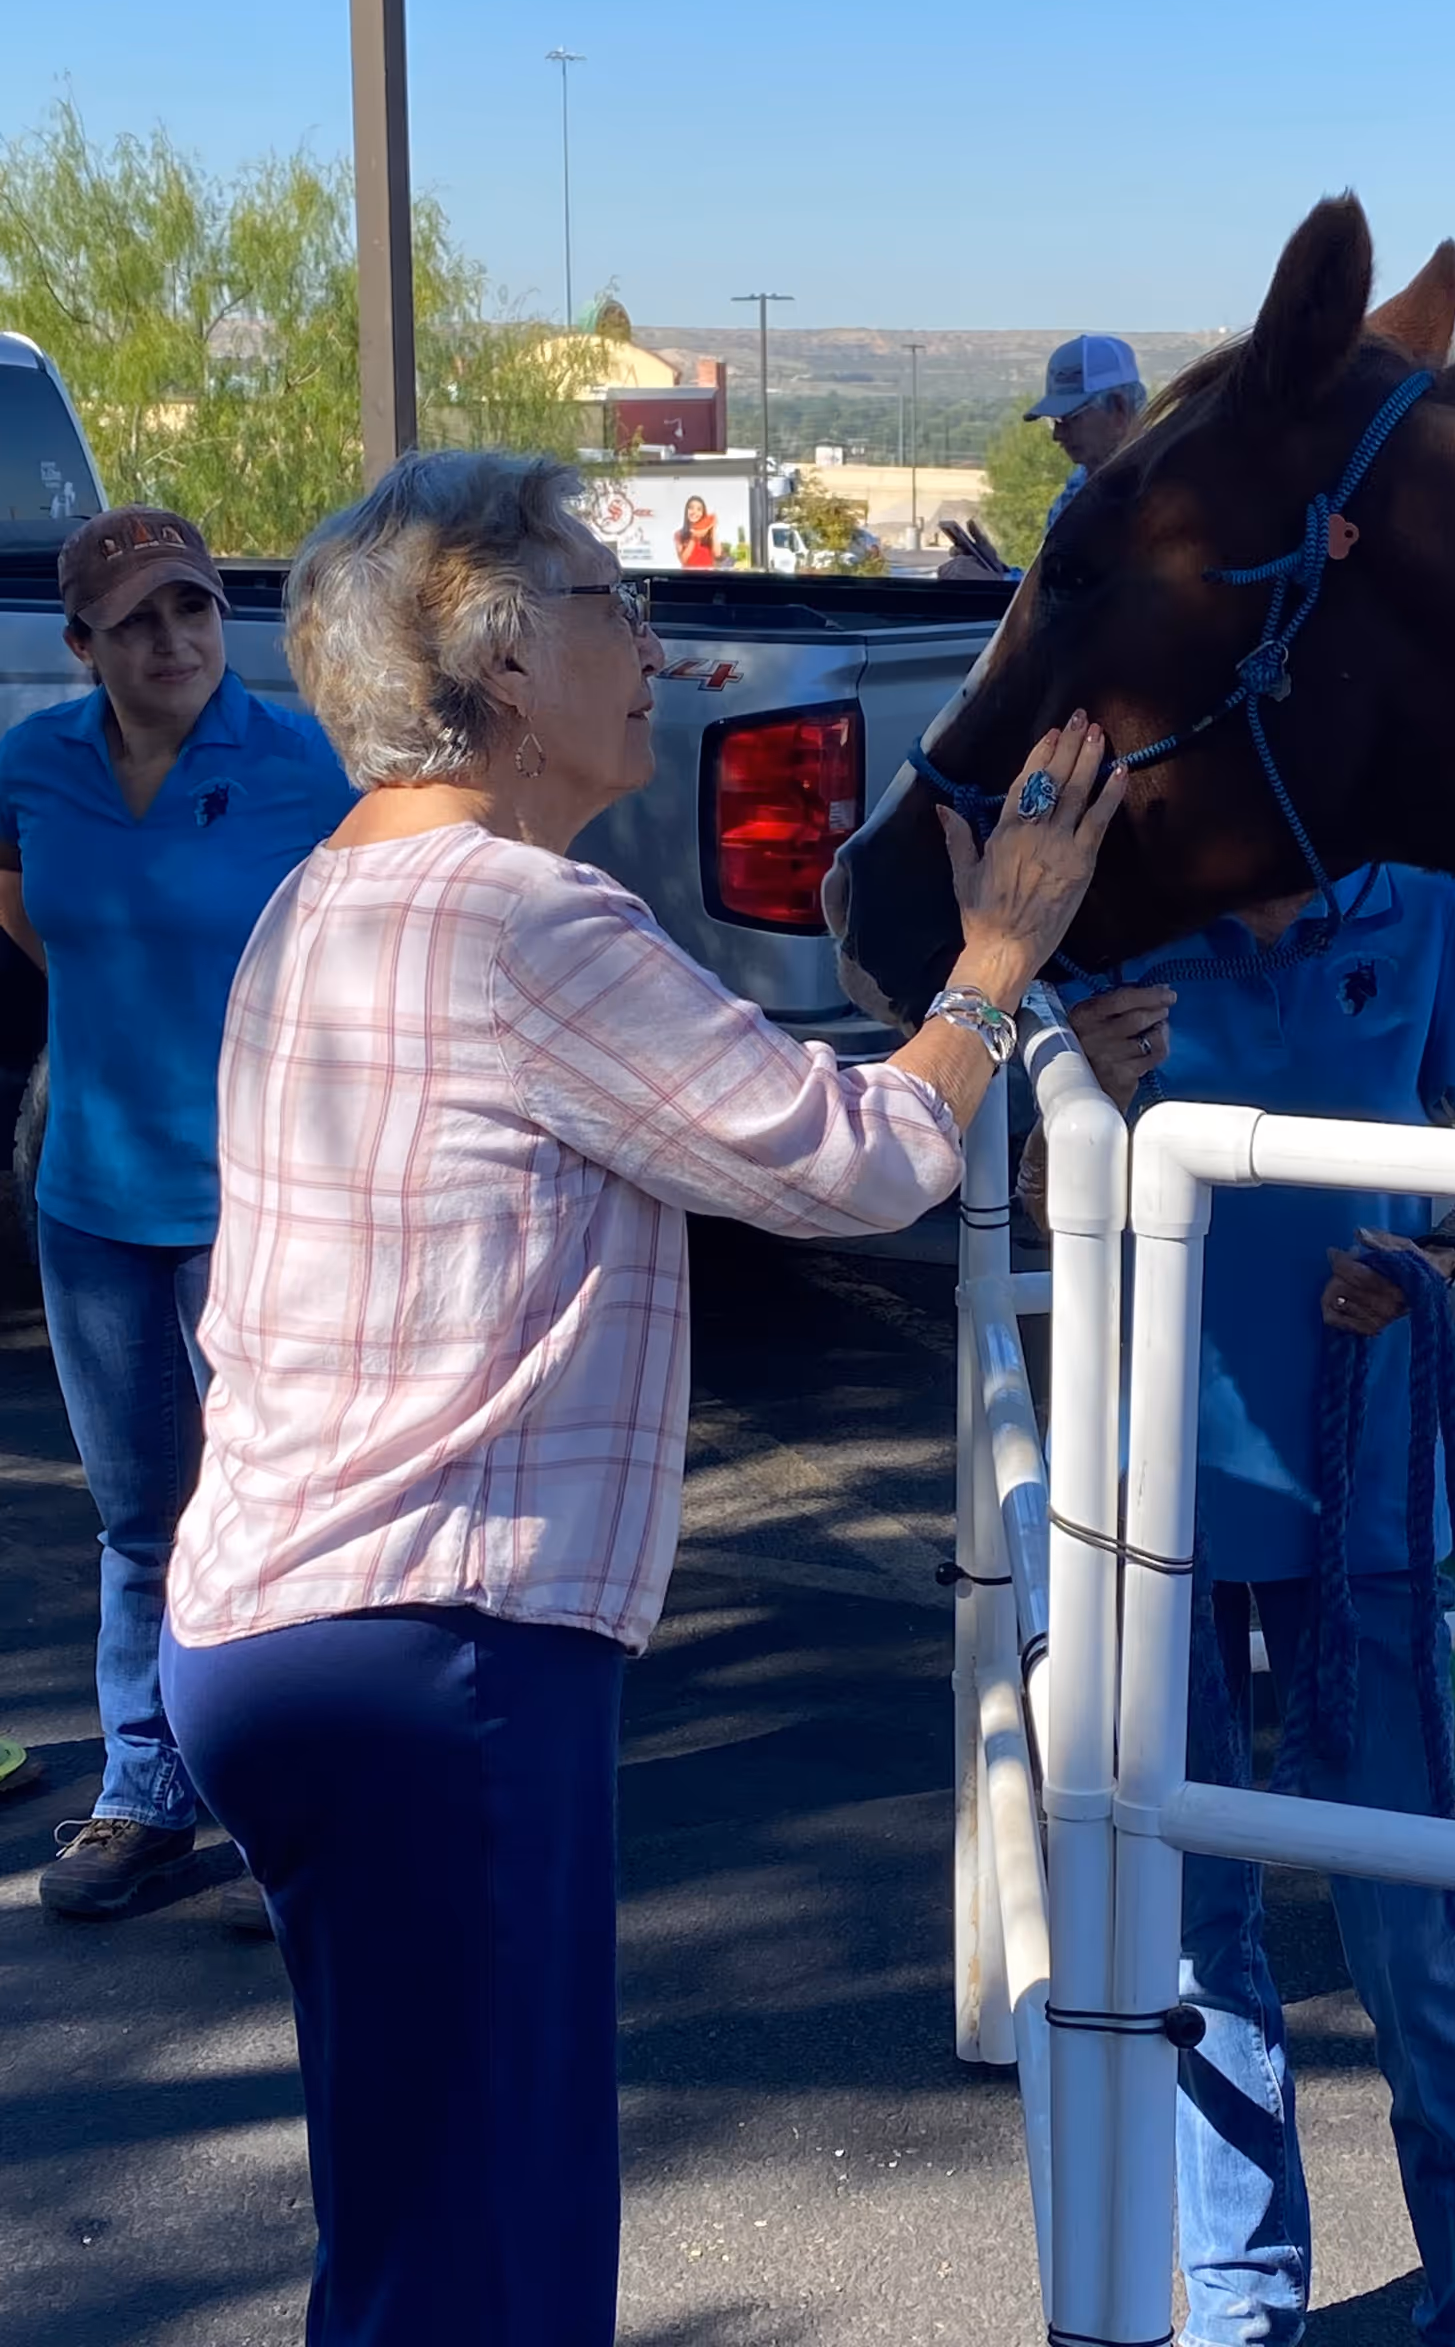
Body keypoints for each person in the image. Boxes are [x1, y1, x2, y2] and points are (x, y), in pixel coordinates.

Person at [158, 450, 1125, 2347]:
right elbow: (853, 1159)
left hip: (279, 1627)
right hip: (434, 1650)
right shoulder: (526, 924)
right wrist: (999, 957)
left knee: (417, 2215)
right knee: (490, 2255)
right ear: (499, 662)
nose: (654, 641)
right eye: (615, 601)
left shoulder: (324, 901)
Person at [1020, 863, 1455, 2347]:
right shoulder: (1114, 915)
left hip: (1365, 1494)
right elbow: (1024, 1197)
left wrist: (1430, 1257)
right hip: (1148, 1506)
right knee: (1195, 1935)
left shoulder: (1430, 908)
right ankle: (1247, 2307)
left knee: (1412, 1942)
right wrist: (1084, 1105)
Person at [0, 508, 356, 1925]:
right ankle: (144, 1787)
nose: (176, 643)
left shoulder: (298, 764)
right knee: (141, 1515)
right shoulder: (31, 766)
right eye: (139, 622)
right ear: (83, 646)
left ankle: (296, 1805)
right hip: (91, 1202)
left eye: (195, 611)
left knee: (277, 1510)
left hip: (259, 1206)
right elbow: (33, 916)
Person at [1025, 332, 1148, 532]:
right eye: (1053, 420)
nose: (1057, 435)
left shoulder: (1165, 493)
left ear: (1119, 410)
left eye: (1070, 418)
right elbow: (1055, 564)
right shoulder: (1077, 487)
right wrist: (991, 563)